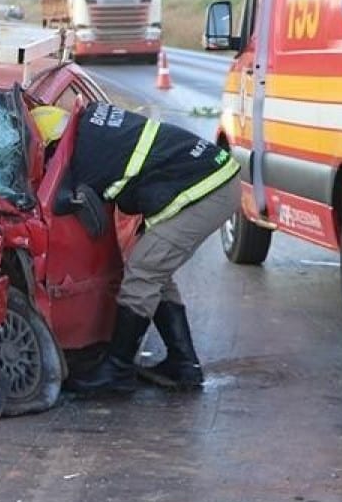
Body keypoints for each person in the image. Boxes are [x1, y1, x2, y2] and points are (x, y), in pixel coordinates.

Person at [32, 101, 240, 395]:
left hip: (208, 191)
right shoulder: (92, 127)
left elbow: (86, 207)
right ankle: (183, 365)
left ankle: (117, 369)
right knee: (154, 270)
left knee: (143, 272)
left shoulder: (91, 159)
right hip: (210, 179)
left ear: (53, 144)